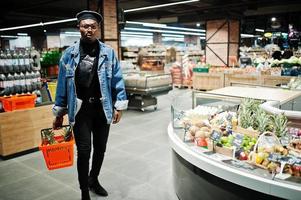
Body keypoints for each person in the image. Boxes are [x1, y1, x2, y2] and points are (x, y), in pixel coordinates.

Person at [52, 10, 128, 200]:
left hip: (103, 109)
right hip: (80, 110)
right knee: (84, 151)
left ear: (98, 29)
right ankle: (84, 190)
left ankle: (93, 179)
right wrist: (59, 113)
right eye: (85, 26)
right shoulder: (68, 55)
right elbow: (62, 85)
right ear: (79, 28)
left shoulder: (108, 53)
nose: (89, 30)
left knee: (101, 148)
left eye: (93, 26)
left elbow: (117, 80)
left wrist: (119, 105)